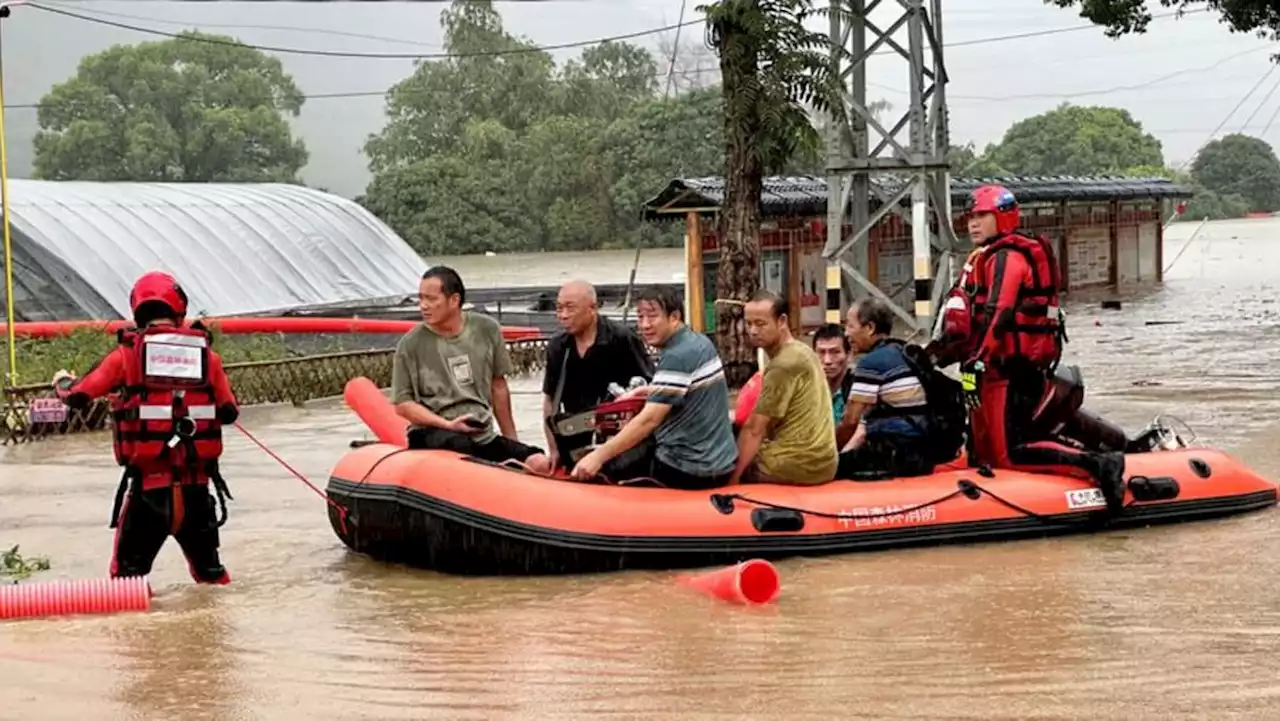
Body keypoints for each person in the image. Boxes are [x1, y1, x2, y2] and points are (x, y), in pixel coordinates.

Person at [942, 184, 1126, 512]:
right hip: (989, 367)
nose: (973, 223)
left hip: (1011, 370)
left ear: (1003, 217)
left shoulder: (1008, 257)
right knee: (982, 453)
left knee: (1008, 454)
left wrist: (977, 359)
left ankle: (1100, 464)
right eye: (970, 217)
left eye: (982, 216)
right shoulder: (982, 257)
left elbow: (1000, 310)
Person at [51, 271, 239, 584]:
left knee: (126, 583)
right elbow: (230, 412)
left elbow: (77, 396)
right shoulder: (209, 358)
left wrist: (61, 382)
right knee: (212, 579)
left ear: (138, 310)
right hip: (197, 492)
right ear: (179, 309)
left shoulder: (125, 357)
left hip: (149, 495)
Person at [569, 286, 737, 489]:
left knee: (606, 468)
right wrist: (647, 390)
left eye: (652, 317)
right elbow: (689, 389)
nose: (645, 325)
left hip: (690, 467)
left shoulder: (676, 355)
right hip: (719, 460)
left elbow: (649, 420)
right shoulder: (699, 342)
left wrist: (598, 456)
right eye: (640, 317)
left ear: (674, 317)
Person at [392, 266, 551, 474]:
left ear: (454, 300)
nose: (424, 306)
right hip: (432, 432)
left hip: (479, 431)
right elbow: (402, 404)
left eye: (431, 299)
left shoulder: (486, 330)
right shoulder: (410, 345)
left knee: (538, 461)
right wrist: (446, 424)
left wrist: (511, 440)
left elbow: (498, 387)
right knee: (462, 448)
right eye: (421, 299)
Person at [542, 280, 654, 470]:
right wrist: (553, 449)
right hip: (574, 440)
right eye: (559, 308)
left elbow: (652, 394)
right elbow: (550, 401)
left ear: (592, 308)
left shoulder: (622, 339)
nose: (563, 315)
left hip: (618, 443)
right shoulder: (557, 347)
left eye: (570, 308)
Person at [729, 290, 837, 485]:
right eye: (748, 323)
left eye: (760, 324)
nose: (753, 331)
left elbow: (754, 429)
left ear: (782, 321)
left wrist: (732, 481)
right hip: (823, 461)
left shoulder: (783, 365)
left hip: (796, 464)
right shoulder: (803, 351)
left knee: (723, 463)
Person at [835, 298, 941, 478]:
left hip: (894, 453)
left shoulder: (872, 363)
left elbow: (850, 422)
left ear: (869, 328)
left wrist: (830, 453)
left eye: (850, 326)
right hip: (923, 452)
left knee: (825, 469)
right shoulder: (903, 352)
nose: (846, 334)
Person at [812, 323, 854, 428]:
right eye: (821, 352)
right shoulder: (806, 390)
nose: (827, 361)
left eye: (835, 352)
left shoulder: (858, 389)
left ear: (849, 354)